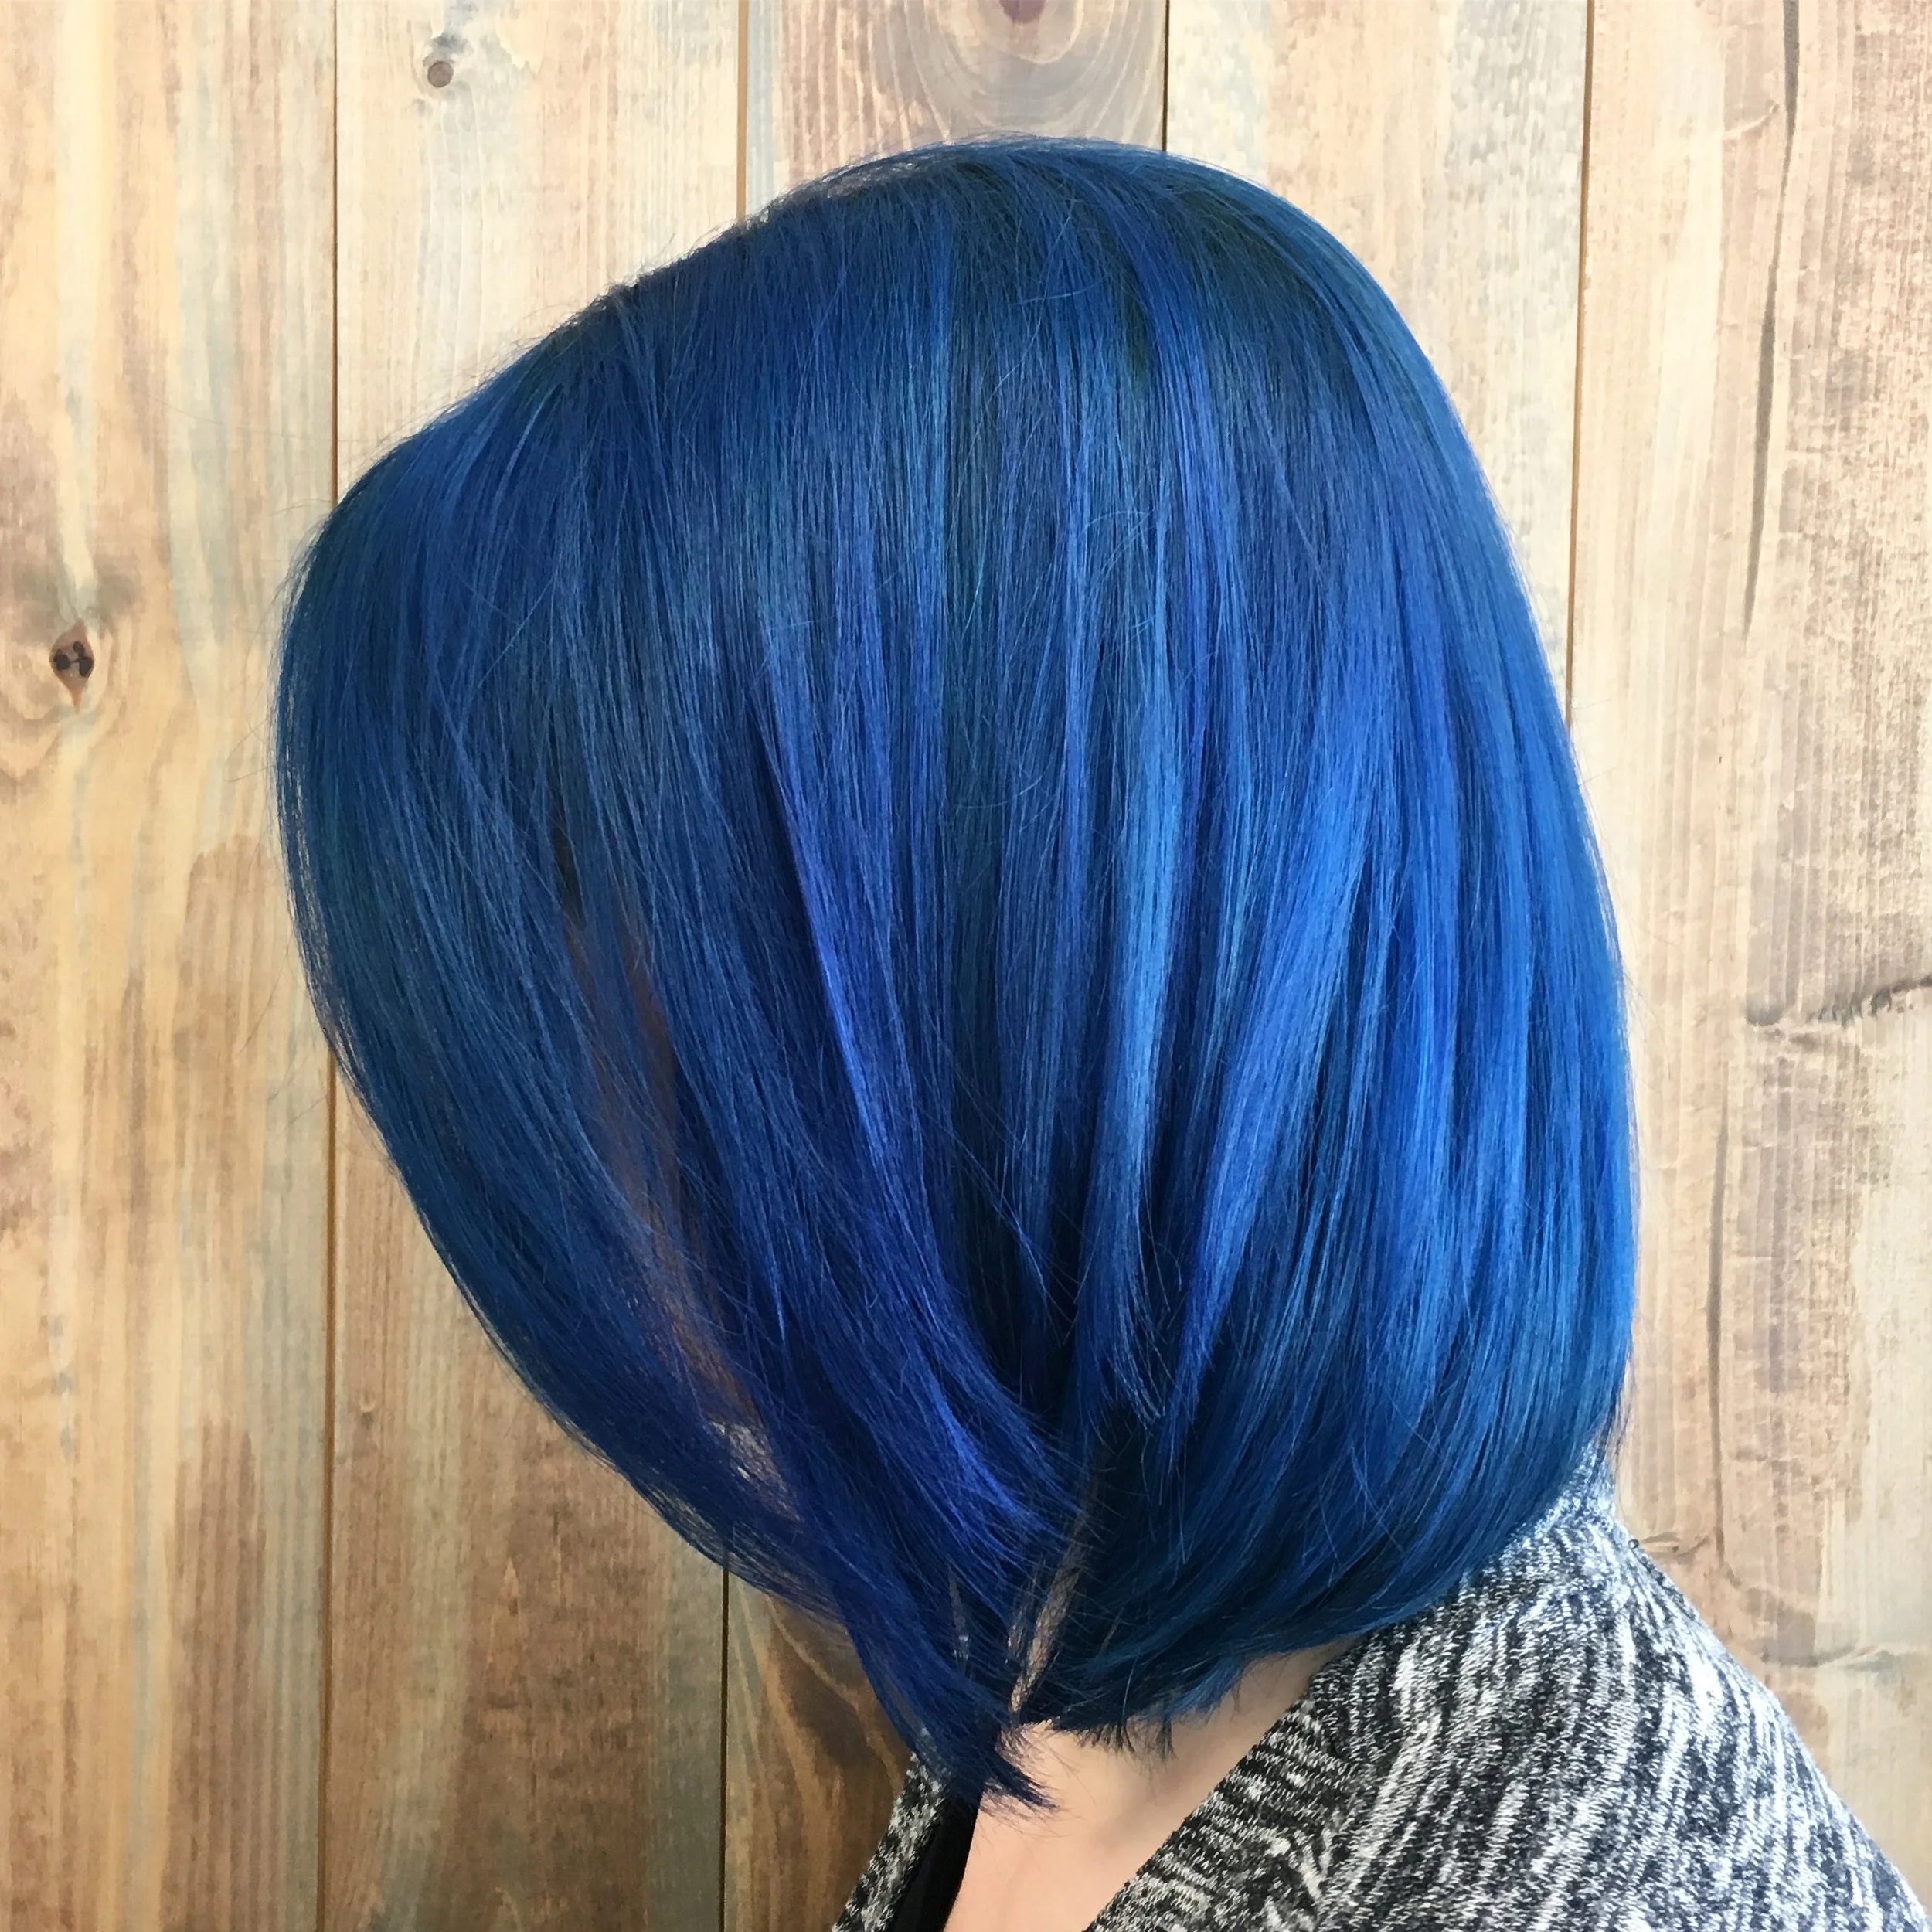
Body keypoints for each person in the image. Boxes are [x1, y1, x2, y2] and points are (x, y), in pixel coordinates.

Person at [270, 135, 1927, 1930]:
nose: (569, 1100)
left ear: (1015, 942)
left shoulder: (1597, 1867)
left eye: (626, 933)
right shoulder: (1084, 1662)